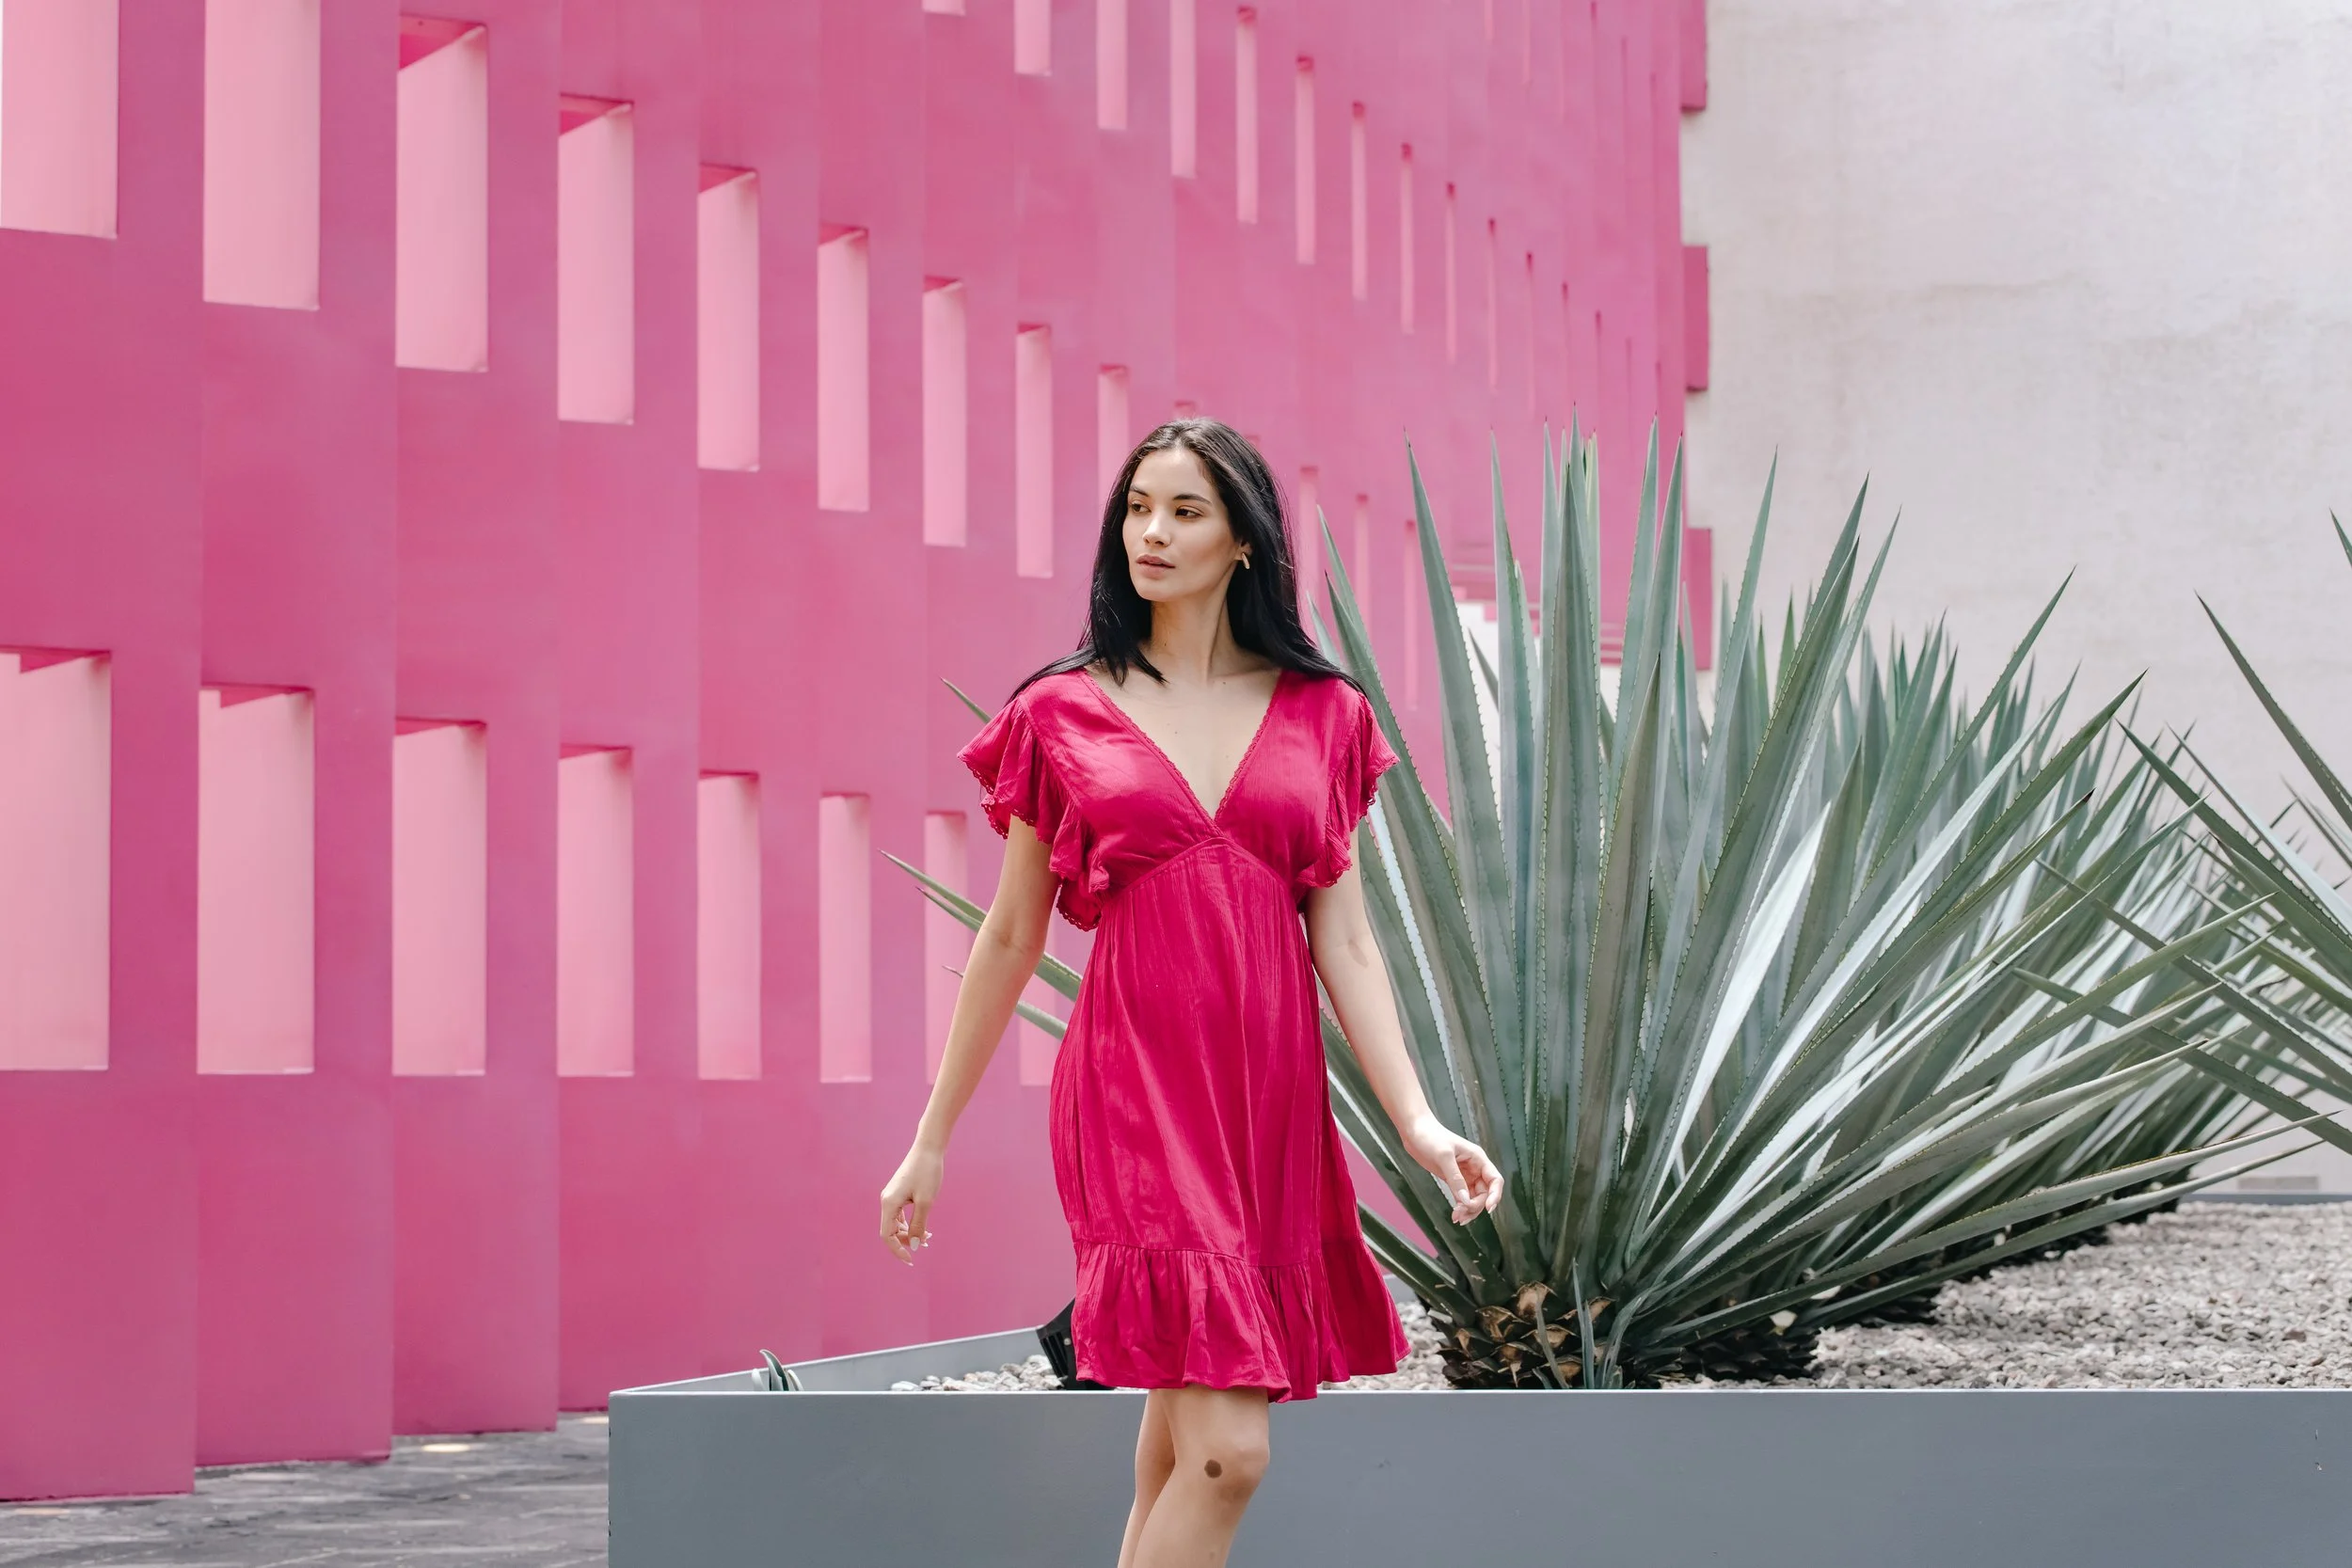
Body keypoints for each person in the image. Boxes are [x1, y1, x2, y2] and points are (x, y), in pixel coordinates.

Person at [879, 418, 1503, 1567]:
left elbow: (1349, 940)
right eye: (1136, 508)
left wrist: (1415, 1121)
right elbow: (1012, 933)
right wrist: (931, 1138)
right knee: (1230, 1454)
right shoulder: (1061, 709)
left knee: (1175, 1450)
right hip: (1134, 1096)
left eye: (1184, 511)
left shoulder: (1327, 715)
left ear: (1244, 543)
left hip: (1265, 1108)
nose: (1150, 534)